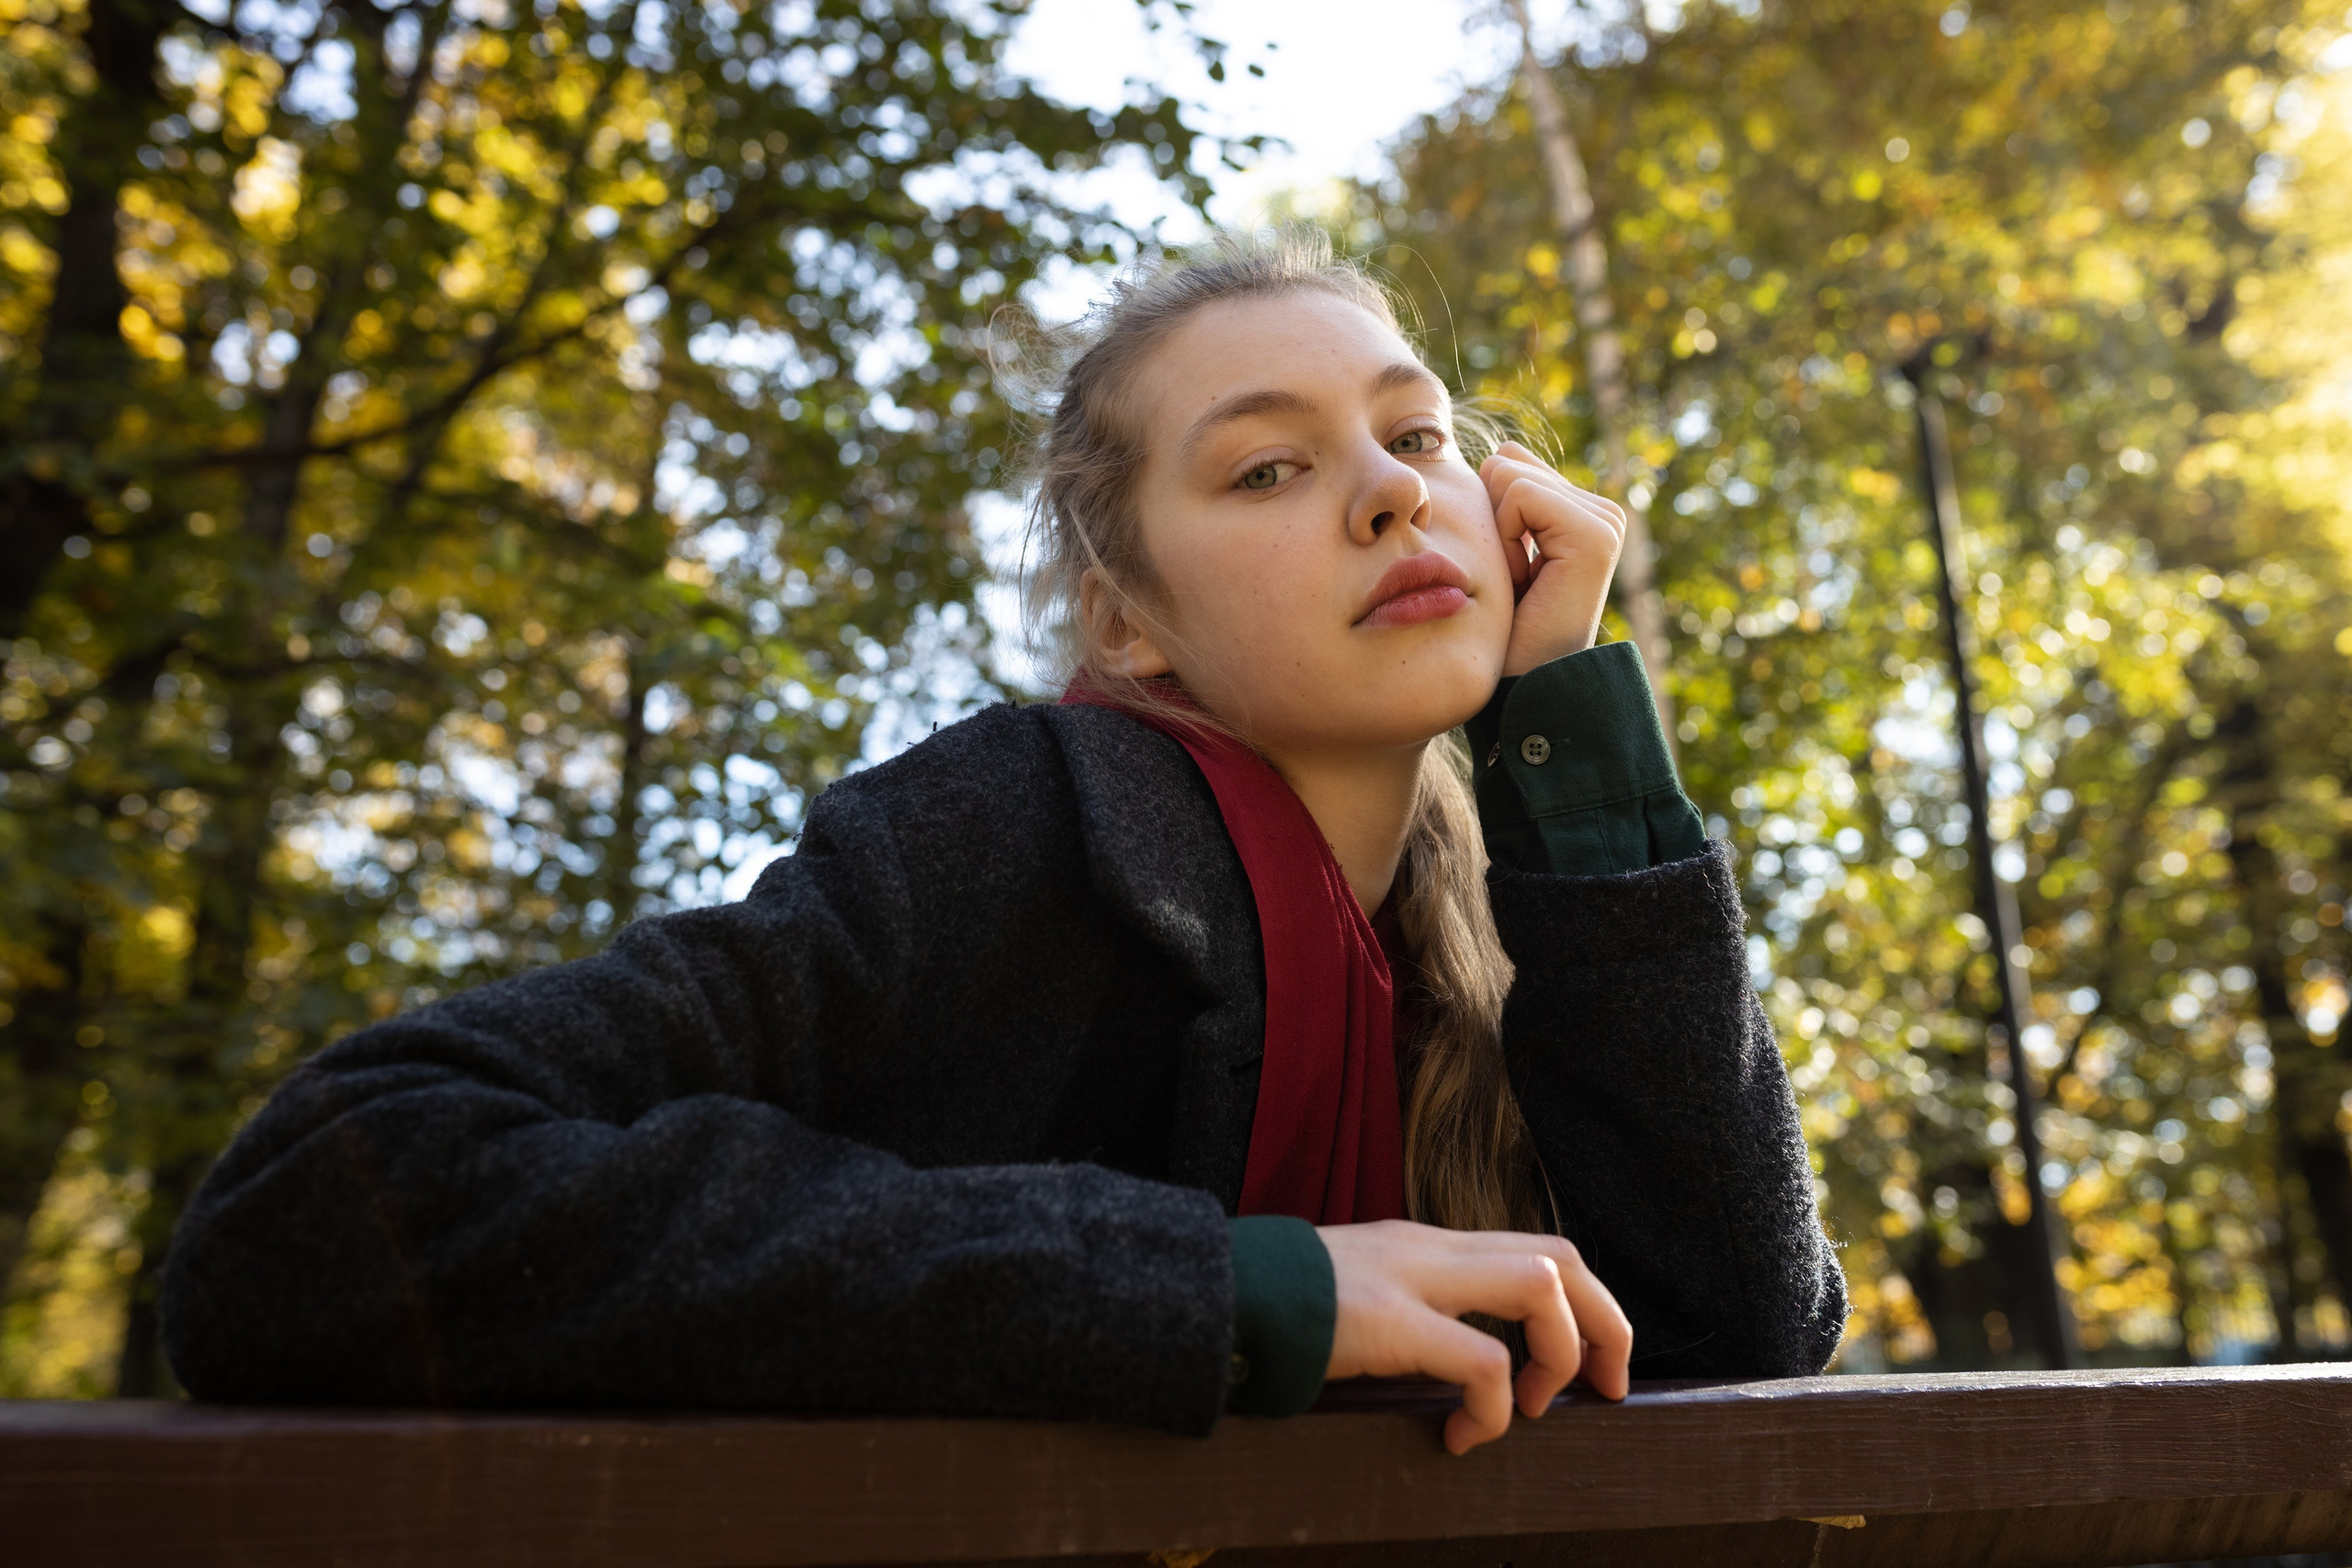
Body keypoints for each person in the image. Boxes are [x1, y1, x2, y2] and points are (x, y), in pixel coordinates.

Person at [161, 231, 1845, 1456]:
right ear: (1128, 624)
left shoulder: (1486, 924)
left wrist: (1573, 736)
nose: (1396, 490)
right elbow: (314, 1207)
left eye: (1418, 435)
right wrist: (1228, 1292)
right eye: (1267, 468)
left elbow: (1741, 1333)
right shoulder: (1024, 824)